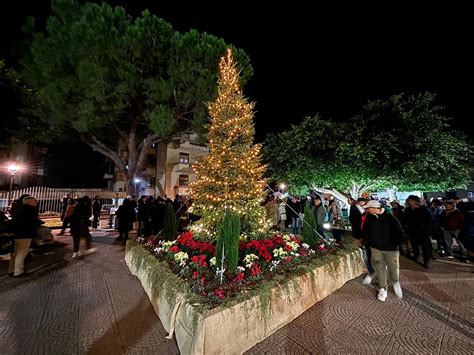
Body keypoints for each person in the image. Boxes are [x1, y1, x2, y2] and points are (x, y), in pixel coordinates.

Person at [362, 200, 405, 301]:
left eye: (368, 208)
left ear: (374, 208)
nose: (367, 210)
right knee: (379, 268)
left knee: (393, 268)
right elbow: (365, 230)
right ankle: (382, 288)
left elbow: (399, 233)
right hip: (375, 248)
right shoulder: (369, 218)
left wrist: (395, 244)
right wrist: (368, 242)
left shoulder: (390, 218)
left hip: (391, 249)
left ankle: (395, 282)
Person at [9, 196, 42, 276]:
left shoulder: (22, 210)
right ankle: (18, 272)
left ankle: (12, 270)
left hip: (18, 233)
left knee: (16, 252)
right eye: (34, 201)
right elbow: (31, 222)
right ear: (29, 202)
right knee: (22, 252)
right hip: (25, 234)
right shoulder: (30, 210)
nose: (36, 202)